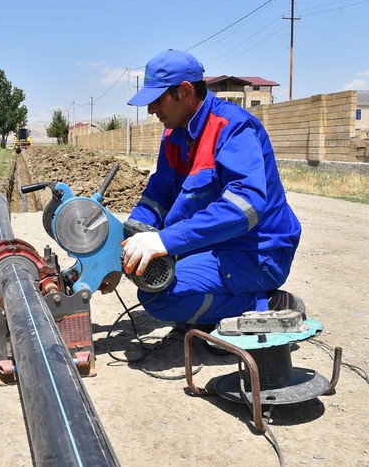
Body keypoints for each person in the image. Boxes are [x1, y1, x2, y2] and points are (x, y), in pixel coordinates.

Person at [121, 49, 303, 329]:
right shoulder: (173, 134)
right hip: (214, 245)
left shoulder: (233, 127)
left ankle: (269, 303)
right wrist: (123, 248)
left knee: (158, 296)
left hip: (257, 252)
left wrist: (166, 240)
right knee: (151, 273)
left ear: (184, 91)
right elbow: (159, 196)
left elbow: (246, 205)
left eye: (157, 100)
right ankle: (215, 305)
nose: (150, 110)